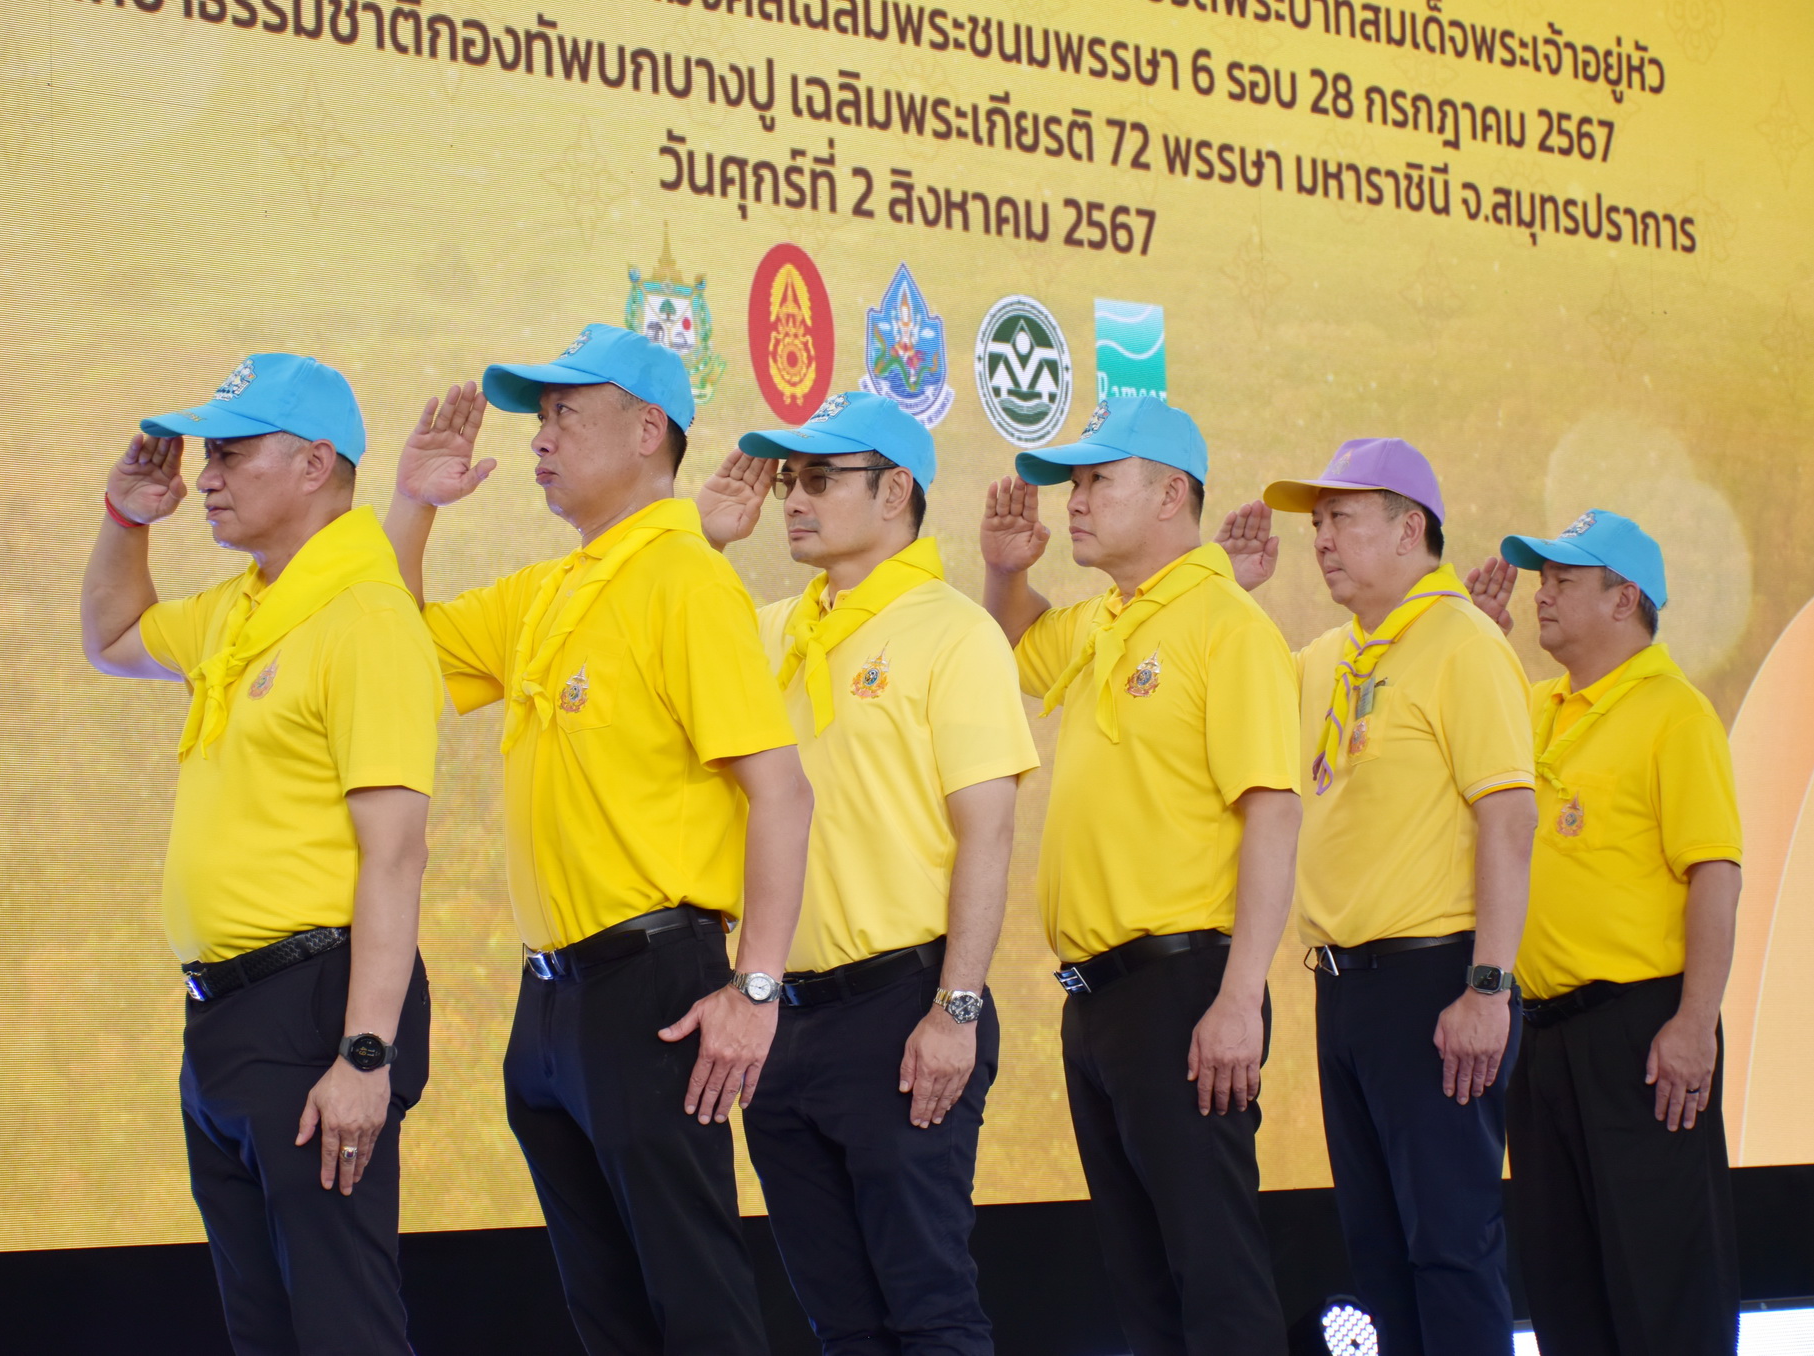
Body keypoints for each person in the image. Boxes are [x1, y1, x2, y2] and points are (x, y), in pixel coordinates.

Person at [383, 323, 812, 1356]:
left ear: (648, 428)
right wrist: (413, 507)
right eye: (540, 417)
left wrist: (756, 991)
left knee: (697, 1306)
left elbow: (782, 793)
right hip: (550, 1004)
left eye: (567, 413)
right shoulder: (546, 590)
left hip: (652, 989)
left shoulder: (687, 579)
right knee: (607, 1313)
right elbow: (386, 659)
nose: (541, 436)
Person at [80, 353, 440, 1355]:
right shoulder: (245, 609)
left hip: (316, 1009)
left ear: (315, 464)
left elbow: (396, 855)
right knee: (265, 1329)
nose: (206, 477)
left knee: (342, 1327)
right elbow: (113, 636)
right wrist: (126, 518)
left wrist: (364, 1055)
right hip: (226, 1019)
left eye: (232, 454)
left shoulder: (364, 616)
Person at [690, 390, 1039, 1355]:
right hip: (778, 1018)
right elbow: (661, 635)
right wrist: (705, 542)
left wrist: (956, 1010)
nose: (794, 499)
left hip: (902, 1011)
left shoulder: (953, 630)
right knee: (839, 1322)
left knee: (929, 1310)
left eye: (819, 478)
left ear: (894, 492)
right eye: (789, 480)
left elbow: (989, 834)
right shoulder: (769, 629)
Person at [979, 397, 1303, 1355]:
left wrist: (1239, 998)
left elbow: (1274, 814)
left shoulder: (1226, 625)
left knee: (1215, 1275)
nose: (1075, 501)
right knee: (1142, 1281)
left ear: (1170, 495)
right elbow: (1016, 643)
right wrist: (1005, 571)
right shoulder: (1102, 620)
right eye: (1073, 483)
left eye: (1097, 480)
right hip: (1098, 1000)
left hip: (1185, 988)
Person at [1218, 438, 1537, 1355]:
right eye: (1317, 522)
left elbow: (1509, 820)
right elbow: (1232, 705)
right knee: (1380, 1251)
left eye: (1342, 518)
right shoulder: (1327, 657)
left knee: (1450, 1247)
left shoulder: (1464, 644)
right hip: (1343, 989)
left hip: (1436, 984)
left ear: (1409, 530)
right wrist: (1230, 593)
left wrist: (1488, 986)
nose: (1321, 539)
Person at [1476, 510, 1742, 1355]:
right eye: (1541, 578)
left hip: (1641, 1032)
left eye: (1563, 579)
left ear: (1624, 599)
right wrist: (1478, 644)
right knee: (1564, 1284)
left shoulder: (1674, 712)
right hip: (1540, 1035)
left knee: (1663, 1281)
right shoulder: (1534, 706)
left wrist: (1695, 1022)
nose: (1541, 594)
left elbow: (1715, 872)